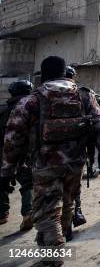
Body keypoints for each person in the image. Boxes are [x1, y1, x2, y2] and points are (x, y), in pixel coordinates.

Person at [0, 56, 100, 266]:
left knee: (47, 210)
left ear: (43, 75)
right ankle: (53, 241)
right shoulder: (84, 96)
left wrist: (8, 170)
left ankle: (55, 253)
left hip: (45, 164)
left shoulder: (32, 100)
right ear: (64, 71)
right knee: (67, 203)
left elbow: (13, 138)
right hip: (76, 163)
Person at [64, 65, 100, 228]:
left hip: (44, 156)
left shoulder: (38, 95)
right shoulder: (84, 94)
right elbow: (99, 124)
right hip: (77, 151)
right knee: (73, 184)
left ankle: (52, 227)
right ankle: (74, 211)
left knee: (48, 193)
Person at [0, 80, 34, 231]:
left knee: (1, 183)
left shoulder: (3, 110)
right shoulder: (35, 109)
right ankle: (28, 212)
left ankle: (2, 213)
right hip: (26, 154)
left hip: (4, 153)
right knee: (28, 183)